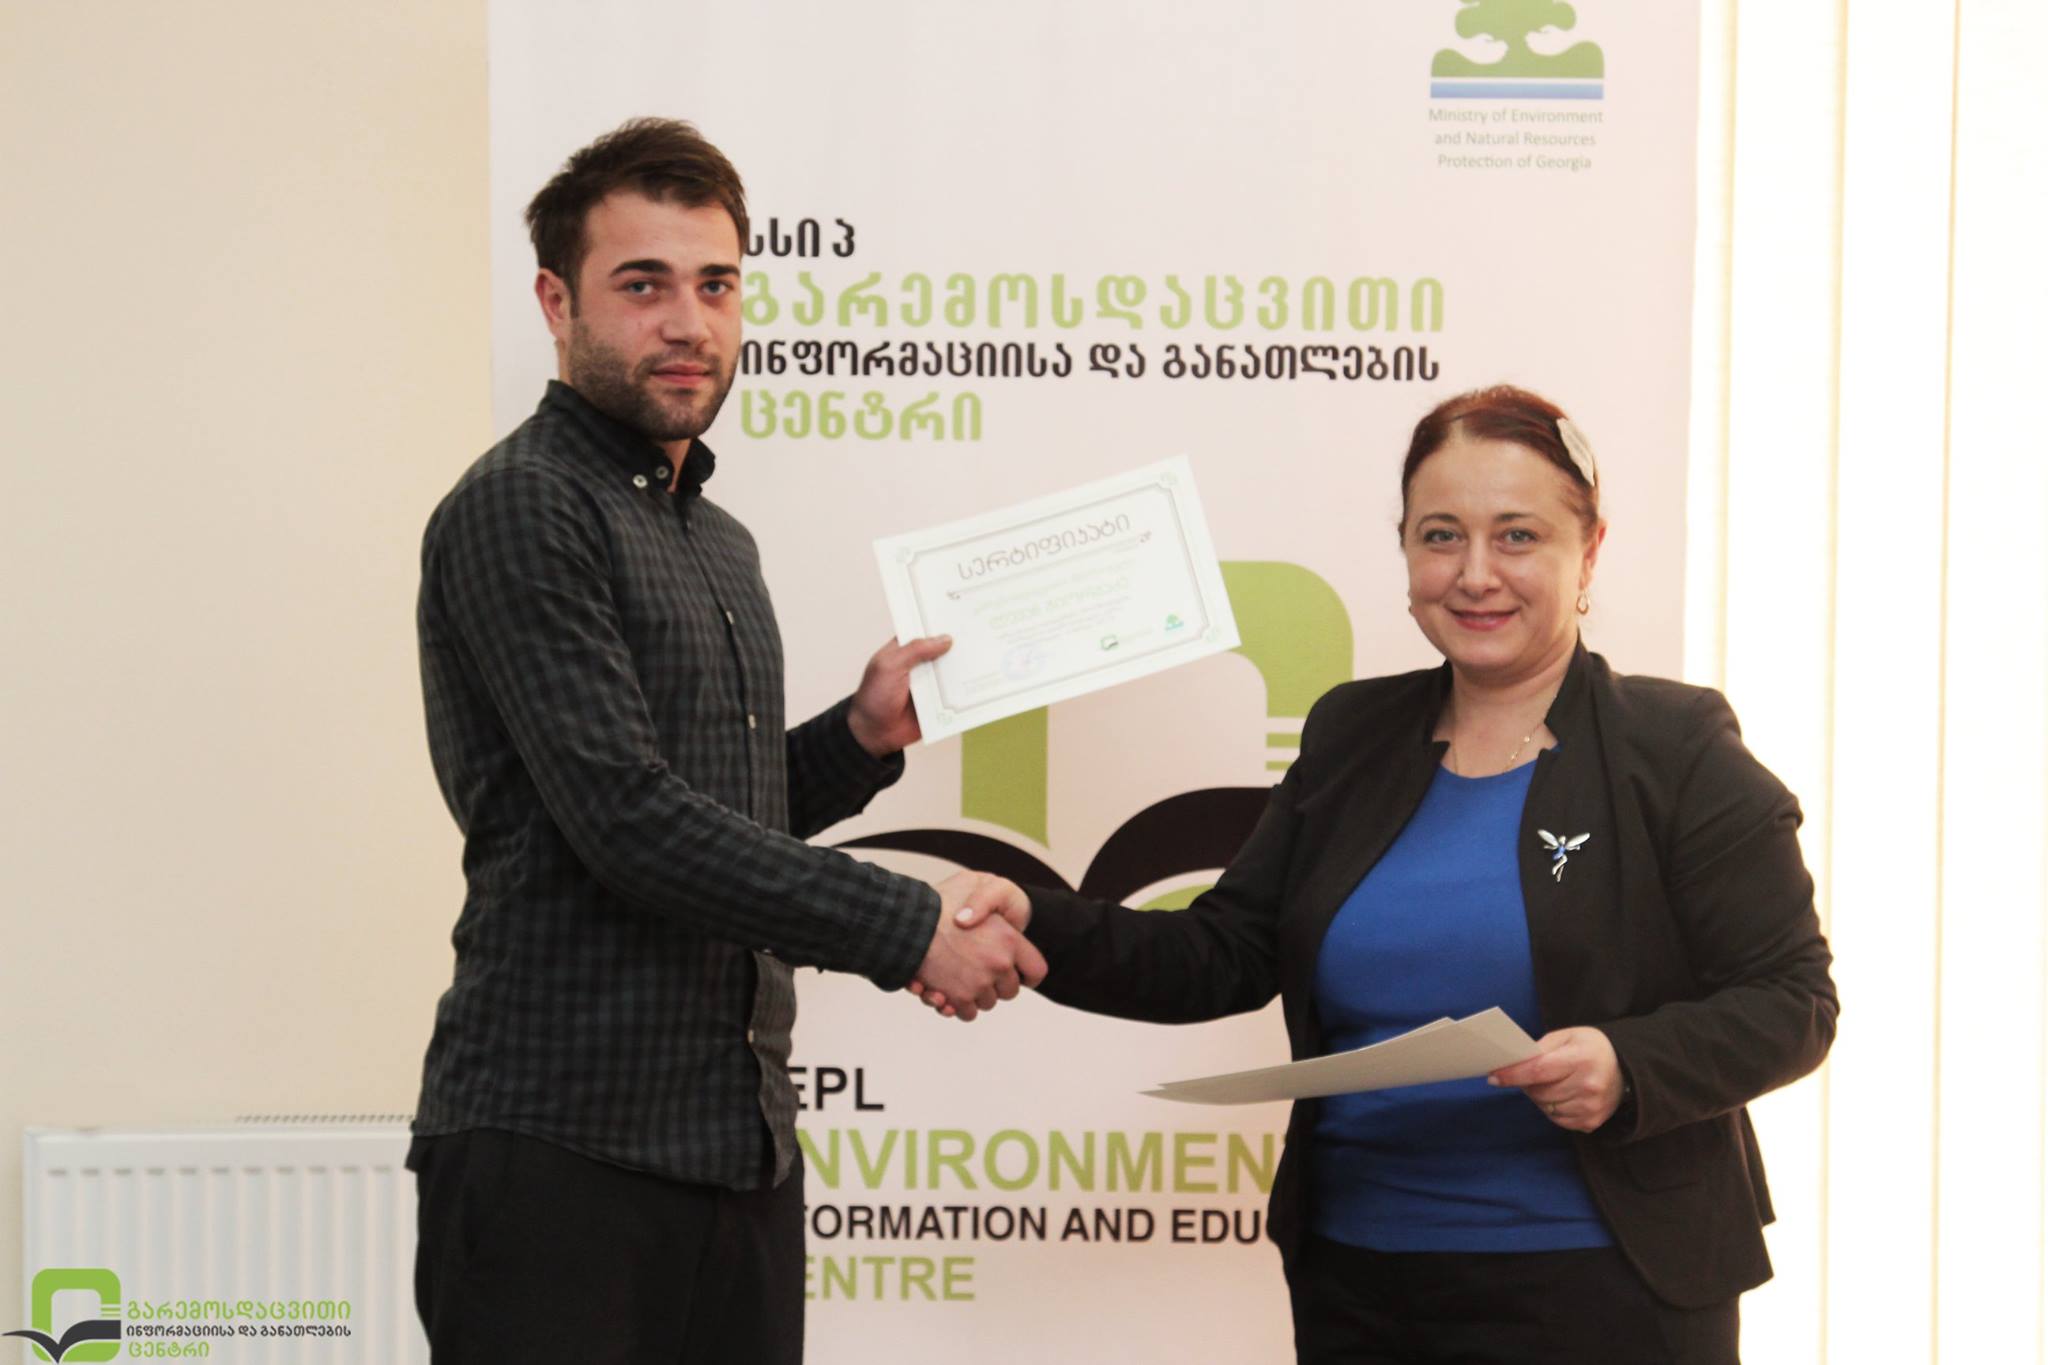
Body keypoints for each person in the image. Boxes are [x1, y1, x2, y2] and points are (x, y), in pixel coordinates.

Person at [931, 386, 1839, 1363]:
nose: (1475, 574)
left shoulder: (1676, 747)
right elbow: (1220, 953)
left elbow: (1793, 1000)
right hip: (1357, 1284)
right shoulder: (1349, 734)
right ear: (1404, 549)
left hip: (1605, 1287)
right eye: (1441, 536)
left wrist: (1628, 1065)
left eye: (1518, 536)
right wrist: (1033, 919)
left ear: (1588, 553)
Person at [407, 117, 1044, 1365]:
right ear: (556, 302)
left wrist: (857, 737)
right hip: (558, 1157)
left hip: (733, 1153)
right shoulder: (522, 506)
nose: (688, 322)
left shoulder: (717, 539)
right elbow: (626, 822)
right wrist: (905, 926)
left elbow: (717, 813)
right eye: (642, 285)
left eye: (715, 284)